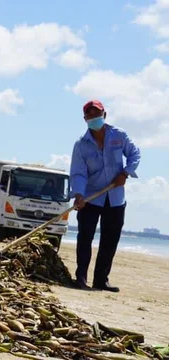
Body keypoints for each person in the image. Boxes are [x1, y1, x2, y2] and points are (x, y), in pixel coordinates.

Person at [70, 100, 140, 292]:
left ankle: (101, 280)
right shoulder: (81, 145)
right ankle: (81, 278)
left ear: (104, 115)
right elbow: (78, 173)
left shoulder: (119, 135)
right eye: (90, 115)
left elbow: (135, 154)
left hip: (116, 197)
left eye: (97, 114)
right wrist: (78, 194)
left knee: (110, 239)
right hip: (91, 197)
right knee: (85, 237)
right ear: (85, 119)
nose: (94, 118)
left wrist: (125, 173)